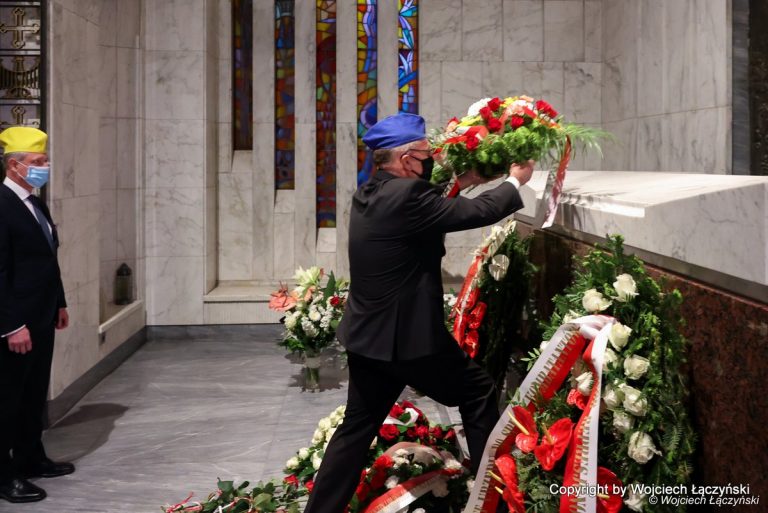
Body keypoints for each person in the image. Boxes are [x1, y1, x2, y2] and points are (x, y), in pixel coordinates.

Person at [303, 113, 534, 512]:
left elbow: (423, 208)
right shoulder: (409, 196)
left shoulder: (370, 191)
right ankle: (490, 502)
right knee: (477, 391)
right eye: (427, 155)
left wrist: (461, 181)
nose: (431, 161)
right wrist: (515, 180)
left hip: (368, 338)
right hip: (406, 341)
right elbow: (473, 213)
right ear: (408, 159)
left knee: (356, 430)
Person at [0, 126, 74, 503]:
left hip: (42, 316)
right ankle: (3, 475)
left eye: (45, 161)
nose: (44, 167)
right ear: (14, 165)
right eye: (37, 162)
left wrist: (59, 302)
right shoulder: (2, 204)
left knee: (33, 394)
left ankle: (30, 457)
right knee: (8, 399)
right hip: (16, 323)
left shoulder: (35, 202)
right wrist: (11, 325)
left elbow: (47, 258)